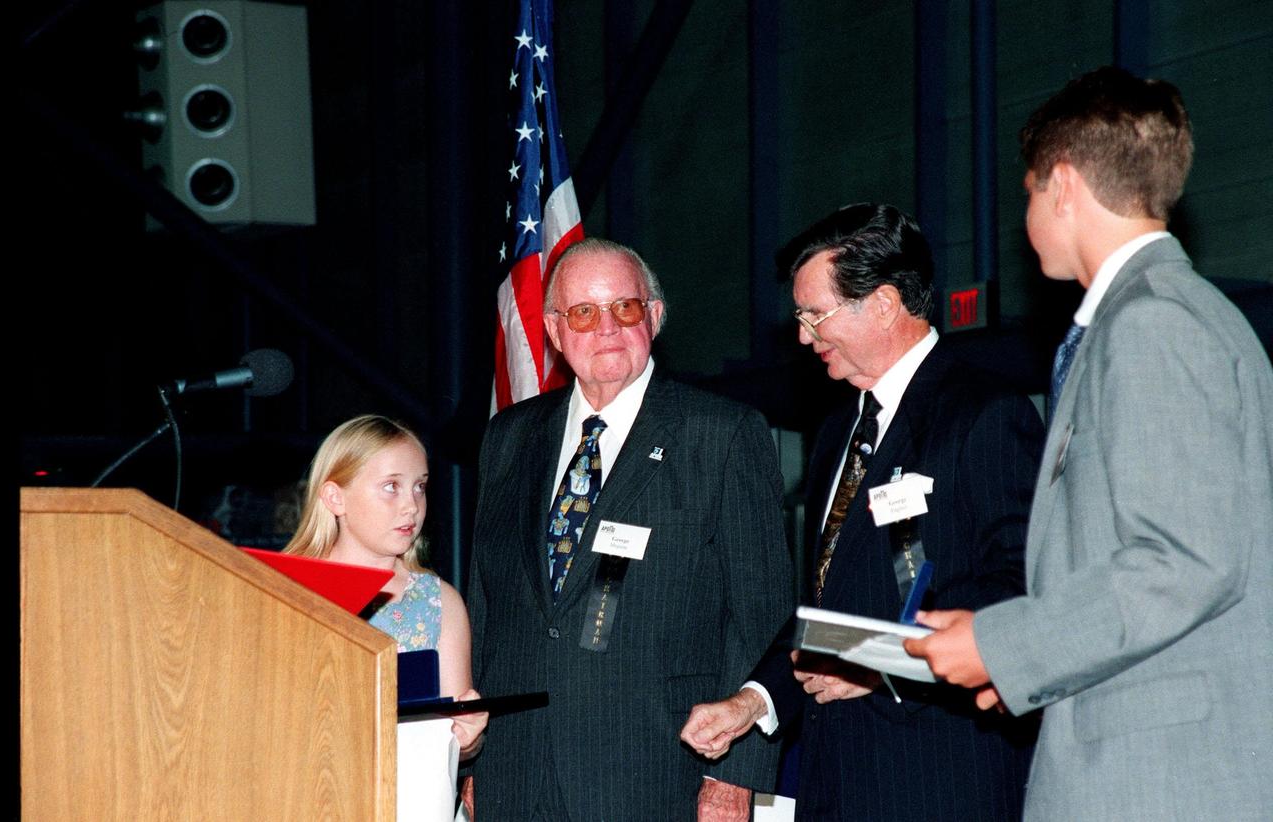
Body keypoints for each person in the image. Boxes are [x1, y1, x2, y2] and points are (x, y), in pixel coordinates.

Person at [904, 66, 1273, 819]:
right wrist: (1025, 668)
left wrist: (1004, 645)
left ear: (1063, 185)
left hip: (1161, 780)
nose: (1027, 215)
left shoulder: (1153, 325)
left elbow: (1184, 562)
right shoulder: (1166, 318)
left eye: (1029, 192)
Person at [681, 204, 1044, 820]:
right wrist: (752, 702)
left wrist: (886, 661)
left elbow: (1020, 593)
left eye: (814, 313)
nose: (803, 335)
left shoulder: (985, 414)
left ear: (881, 305)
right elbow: (826, 612)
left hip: (940, 783)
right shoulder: (838, 433)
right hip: (835, 780)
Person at [465, 237, 793, 821]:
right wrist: (471, 762)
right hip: (515, 776)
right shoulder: (508, 438)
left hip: (659, 777)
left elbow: (762, 618)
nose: (606, 328)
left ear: (656, 316)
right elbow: (488, 610)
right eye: (584, 313)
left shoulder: (720, 435)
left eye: (626, 308)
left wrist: (734, 778)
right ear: (553, 330)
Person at [285, 414, 489, 819]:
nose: (411, 505)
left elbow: (460, 742)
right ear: (334, 497)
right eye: (391, 487)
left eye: (420, 487)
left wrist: (468, 738)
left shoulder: (438, 602)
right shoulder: (282, 591)